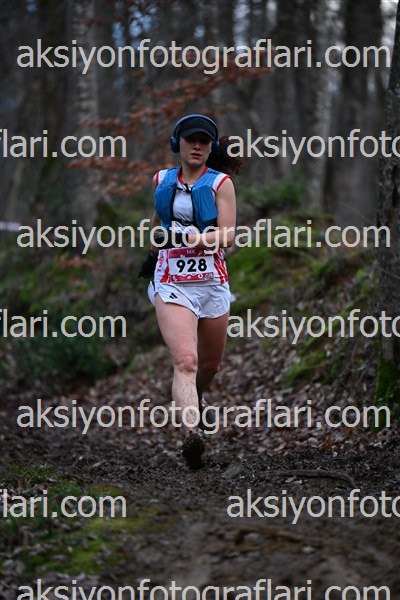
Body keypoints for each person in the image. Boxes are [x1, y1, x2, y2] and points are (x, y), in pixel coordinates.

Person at [139, 114, 241, 468]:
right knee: (186, 361)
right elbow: (157, 222)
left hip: (211, 281)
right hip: (171, 281)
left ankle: (196, 398)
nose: (196, 146)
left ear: (211, 147)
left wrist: (199, 238)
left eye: (204, 141)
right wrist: (153, 251)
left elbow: (228, 234)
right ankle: (192, 435)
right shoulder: (162, 180)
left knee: (210, 366)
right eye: (190, 140)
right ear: (177, 143)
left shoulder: (221, 183)